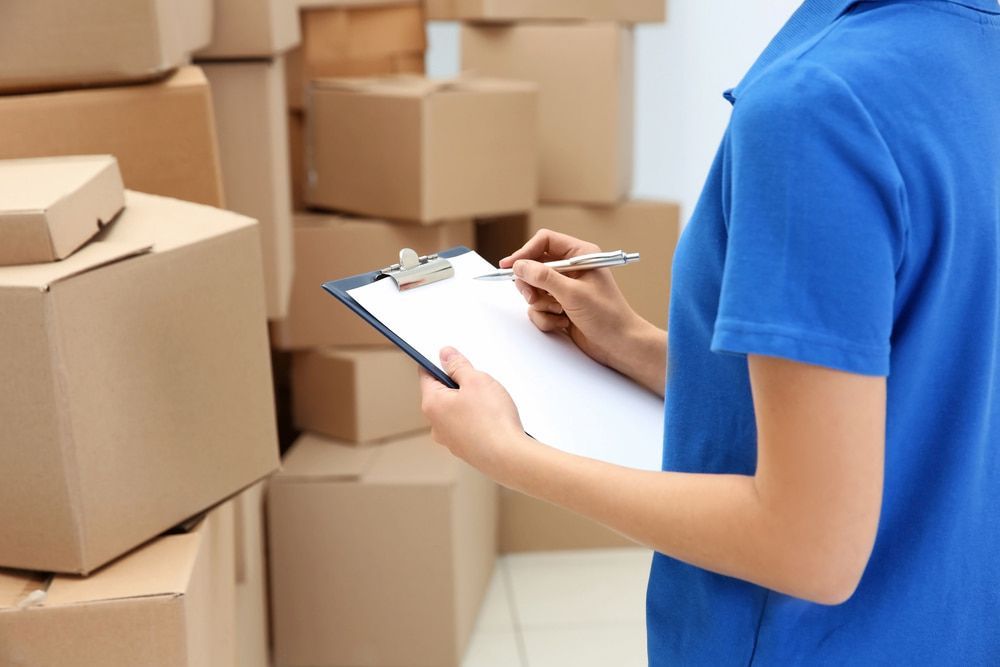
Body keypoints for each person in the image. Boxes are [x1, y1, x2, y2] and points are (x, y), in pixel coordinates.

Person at [419, 0, 1000, 663]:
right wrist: (631, 342)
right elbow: (905, 393)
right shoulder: (974, 53)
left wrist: (508, 454)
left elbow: (808, 544)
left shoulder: (817, 107)